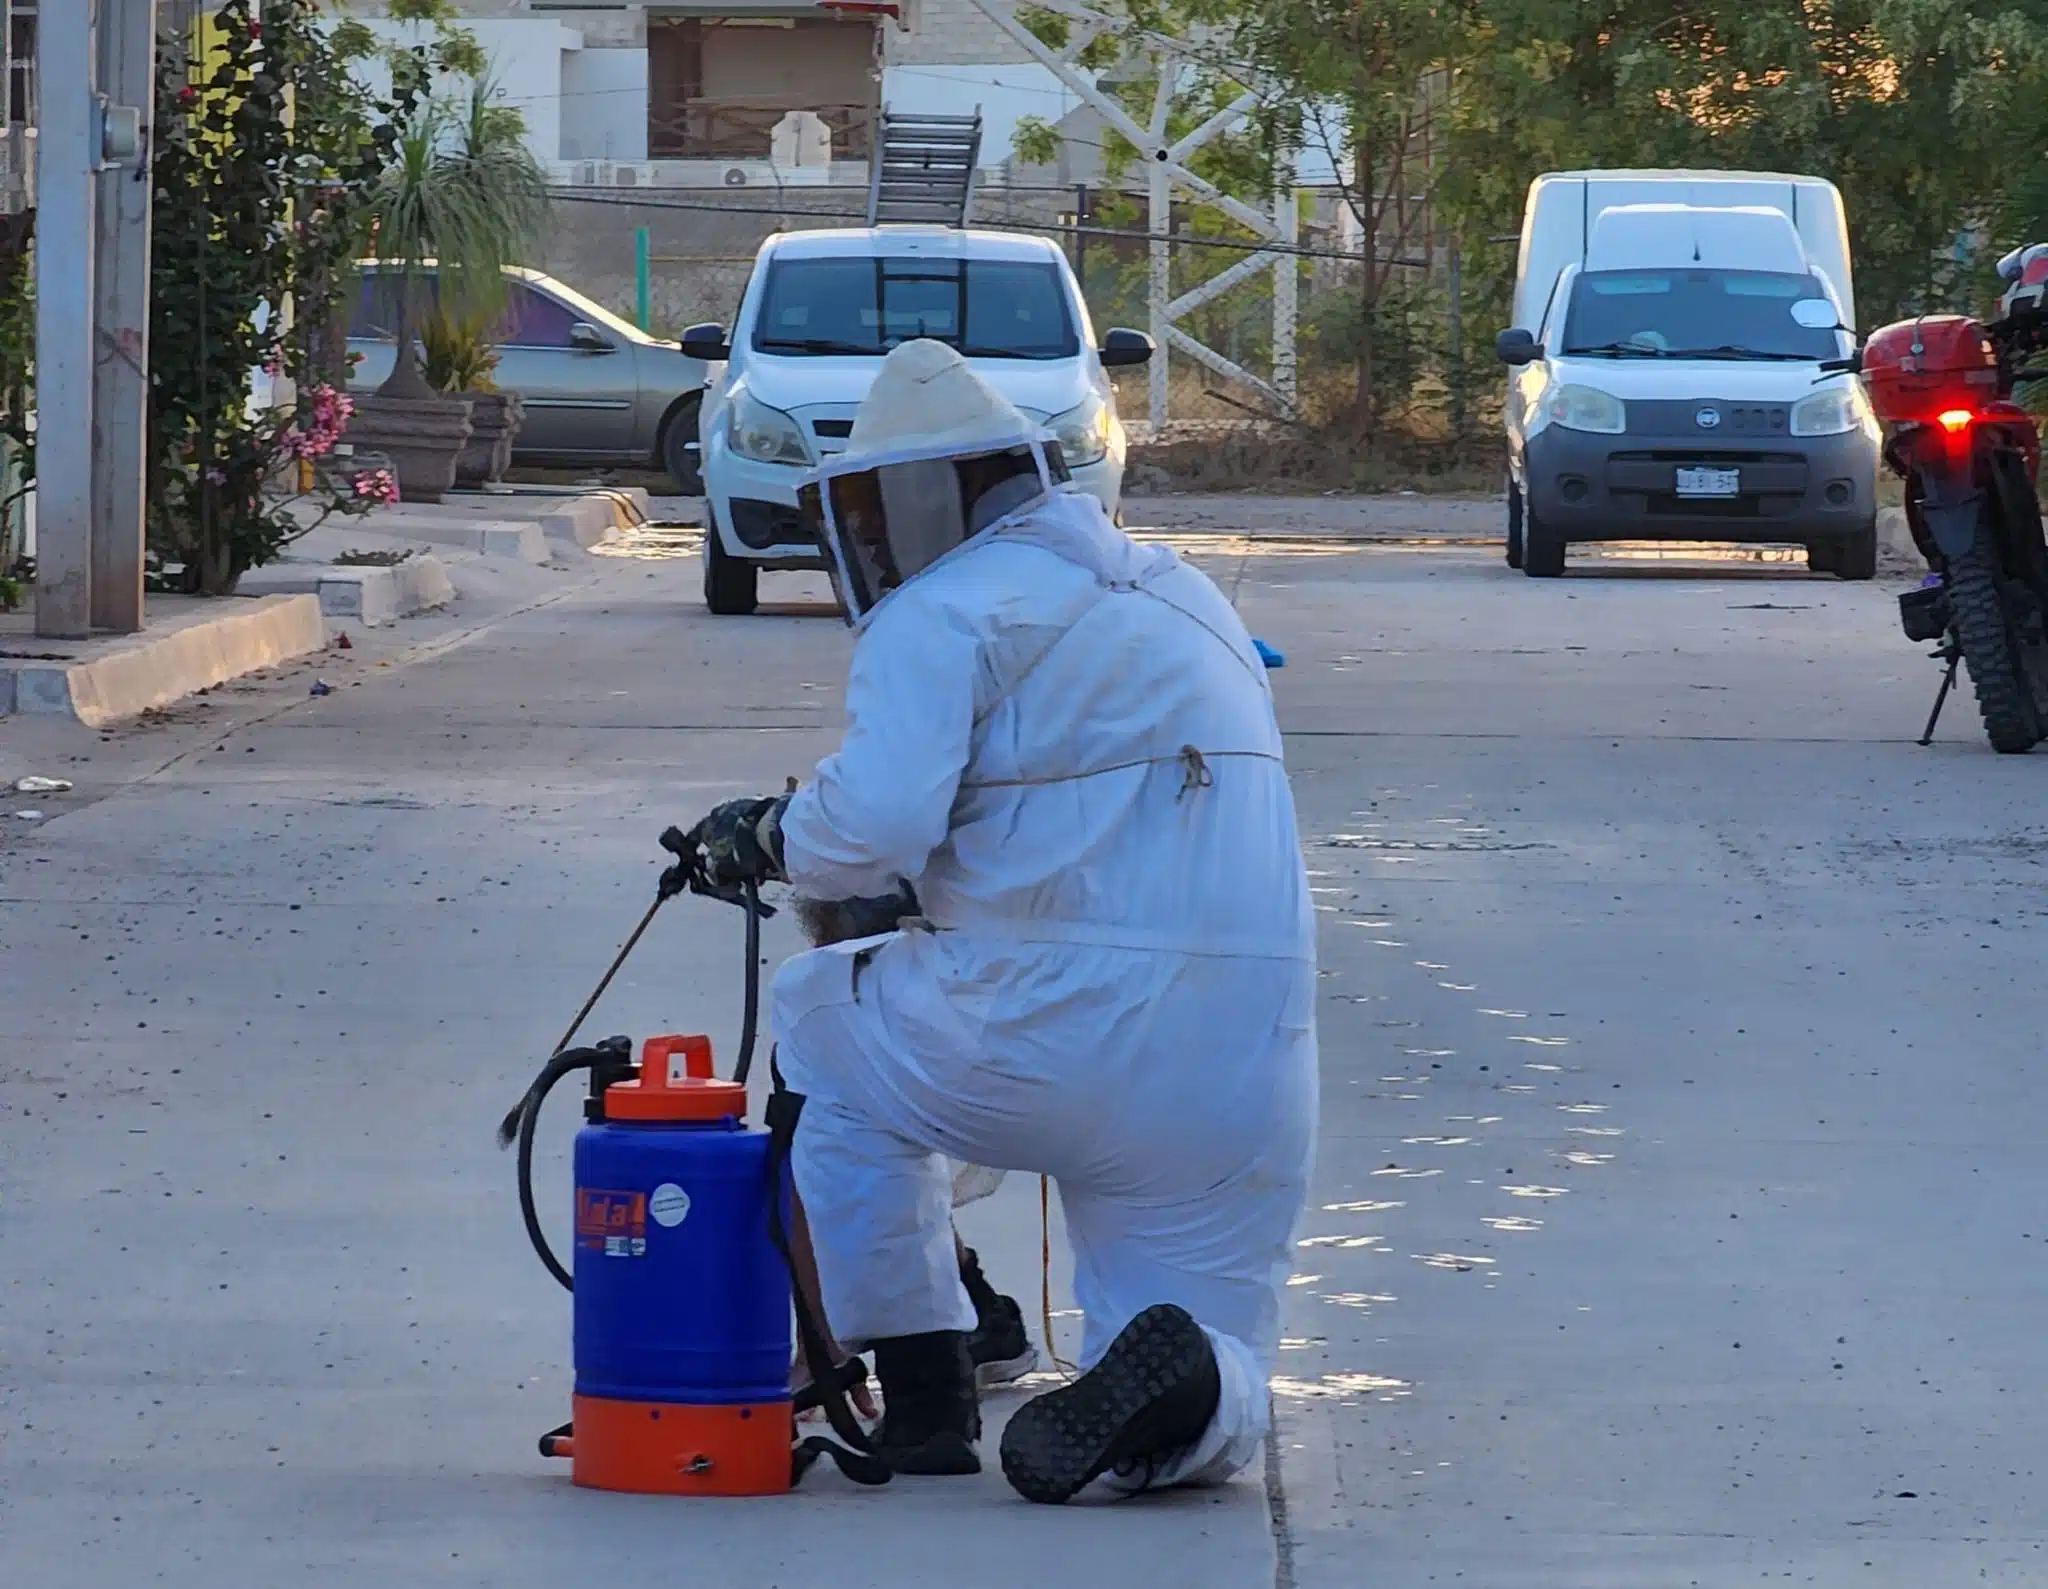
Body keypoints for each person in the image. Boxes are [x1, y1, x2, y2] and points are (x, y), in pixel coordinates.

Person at [685, 339, 1316, 1503]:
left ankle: (924, 1393)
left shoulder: (939, 610)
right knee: (1206, 1360)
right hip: (1241, 1057)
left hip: (1049, 1030)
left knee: (822, 1019)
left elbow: (867, 829)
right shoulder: (1187, 593)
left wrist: (766, 835)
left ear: (905, 506)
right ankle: (1184, 1401)